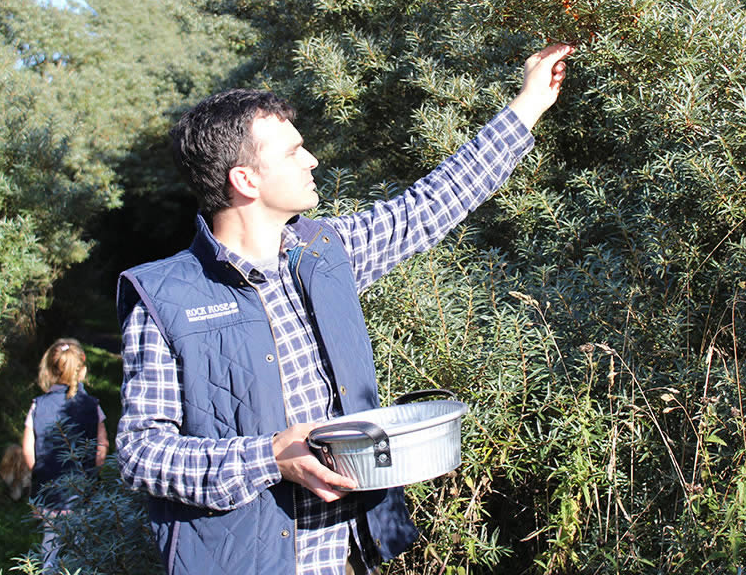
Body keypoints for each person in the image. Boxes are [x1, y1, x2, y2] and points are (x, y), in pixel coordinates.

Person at [115, 43, 573, 575]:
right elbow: (142, 454)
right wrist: (270, 456)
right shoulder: (164, 296)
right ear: (245, 180)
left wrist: (528, 105)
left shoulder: (327, 252)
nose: (312, 160)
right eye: (292, 152)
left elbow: (432, 203)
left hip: (352, 557)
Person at [21, 338, 109, 570]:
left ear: (50, 370)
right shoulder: (92, 406)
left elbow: (28, 448)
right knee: (83, 544)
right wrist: (92, 473)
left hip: (49, 493)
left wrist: (39, 473)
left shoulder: (37, 405)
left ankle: (49, 570)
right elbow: (102, 447)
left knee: (51, 542)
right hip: (83, 492)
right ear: (82, 372)